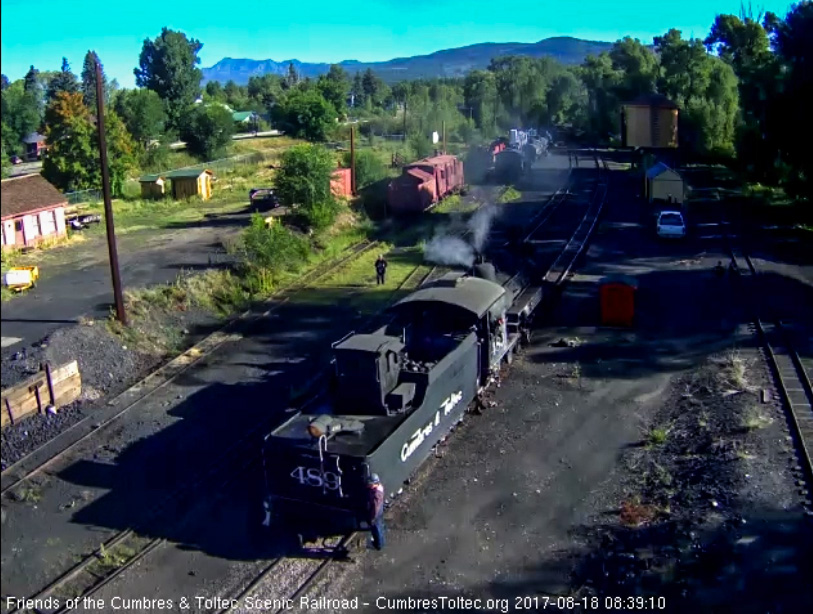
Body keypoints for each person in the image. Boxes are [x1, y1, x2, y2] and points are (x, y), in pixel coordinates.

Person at [366, 474, 385, 550]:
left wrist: (372, 518)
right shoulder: (378, 488)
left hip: (375, 515)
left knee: (376, 530)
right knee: (379, 527)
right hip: (378, 513)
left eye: (370, 484)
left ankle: (378, 545)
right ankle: (380, 542)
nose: (368, 485)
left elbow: (375, 508)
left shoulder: (377, 494)